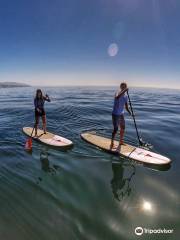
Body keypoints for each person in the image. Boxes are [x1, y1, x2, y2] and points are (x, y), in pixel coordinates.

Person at [110, 82, 132, 149]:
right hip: (115, 114)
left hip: (121, 114)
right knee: (116, 129)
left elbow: (126, 106)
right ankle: (112, 143)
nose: (123, 88)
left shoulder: (125, 96)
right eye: (122, 86)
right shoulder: (117, 93)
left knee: (123, 128)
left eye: (124, 87)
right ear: (120, 87)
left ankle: (121, 141)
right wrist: (124, 90)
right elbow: (117, 97)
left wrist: (130, 113)